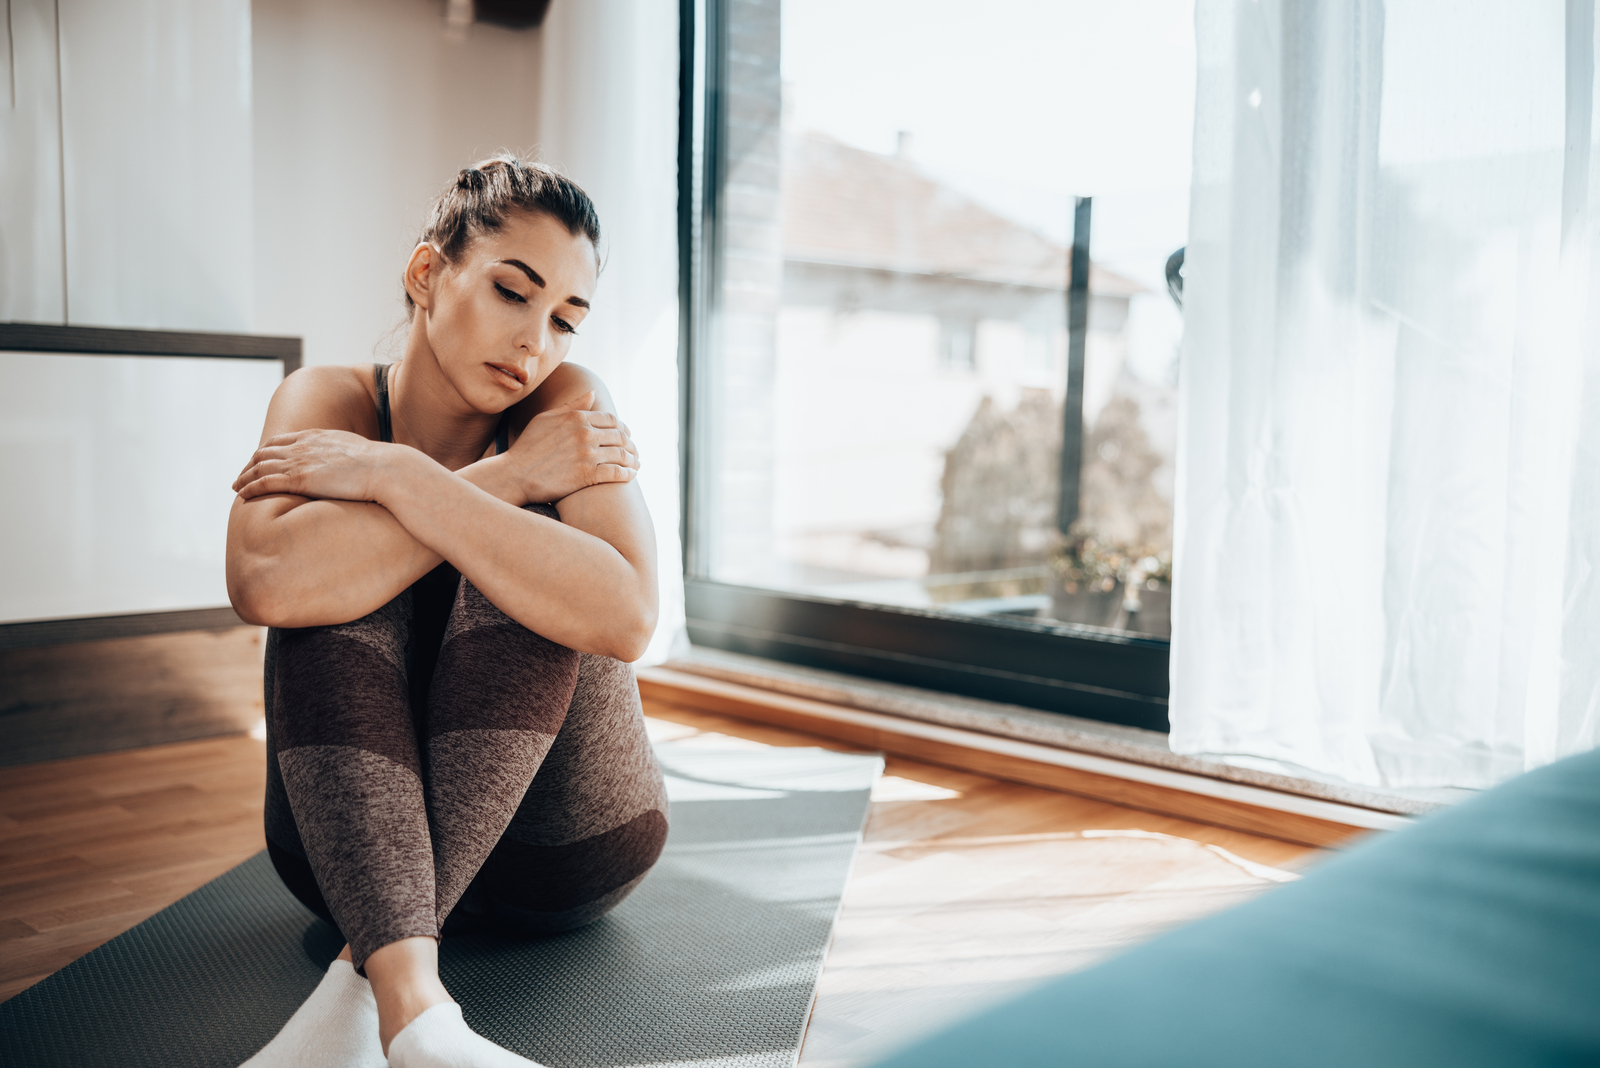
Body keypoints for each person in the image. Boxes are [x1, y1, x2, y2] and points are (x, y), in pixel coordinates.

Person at [225, 157, 667, 1068]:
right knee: (327, 577)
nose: (536, 341)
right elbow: (264, 582)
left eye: (565, 320)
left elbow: (625, 616)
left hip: (565, 846)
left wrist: (401, 479)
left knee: (538, 559)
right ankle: (417, 1011)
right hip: (343, 859)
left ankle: (372, 986)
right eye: (514, 292)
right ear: (429, 276)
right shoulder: (327, 401)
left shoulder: (569, 407)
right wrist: (490, 477)